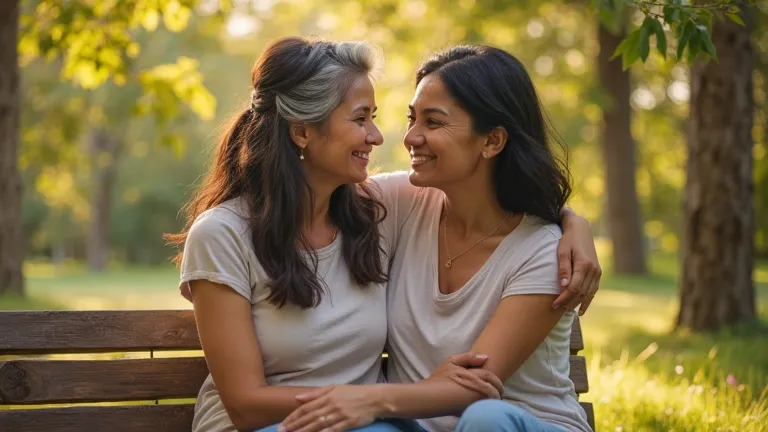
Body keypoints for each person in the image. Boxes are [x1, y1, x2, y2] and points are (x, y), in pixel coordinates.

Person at [168, 37, 599, 432]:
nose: (398, 137)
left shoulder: (538, 250)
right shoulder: (395, 205)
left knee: (484, 420)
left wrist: (570, 221)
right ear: (301, 130)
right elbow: (243, 403)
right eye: (410, 118)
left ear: (492, 142)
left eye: (433, 122)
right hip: (339, 425)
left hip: (497, 423)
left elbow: (476, 385)